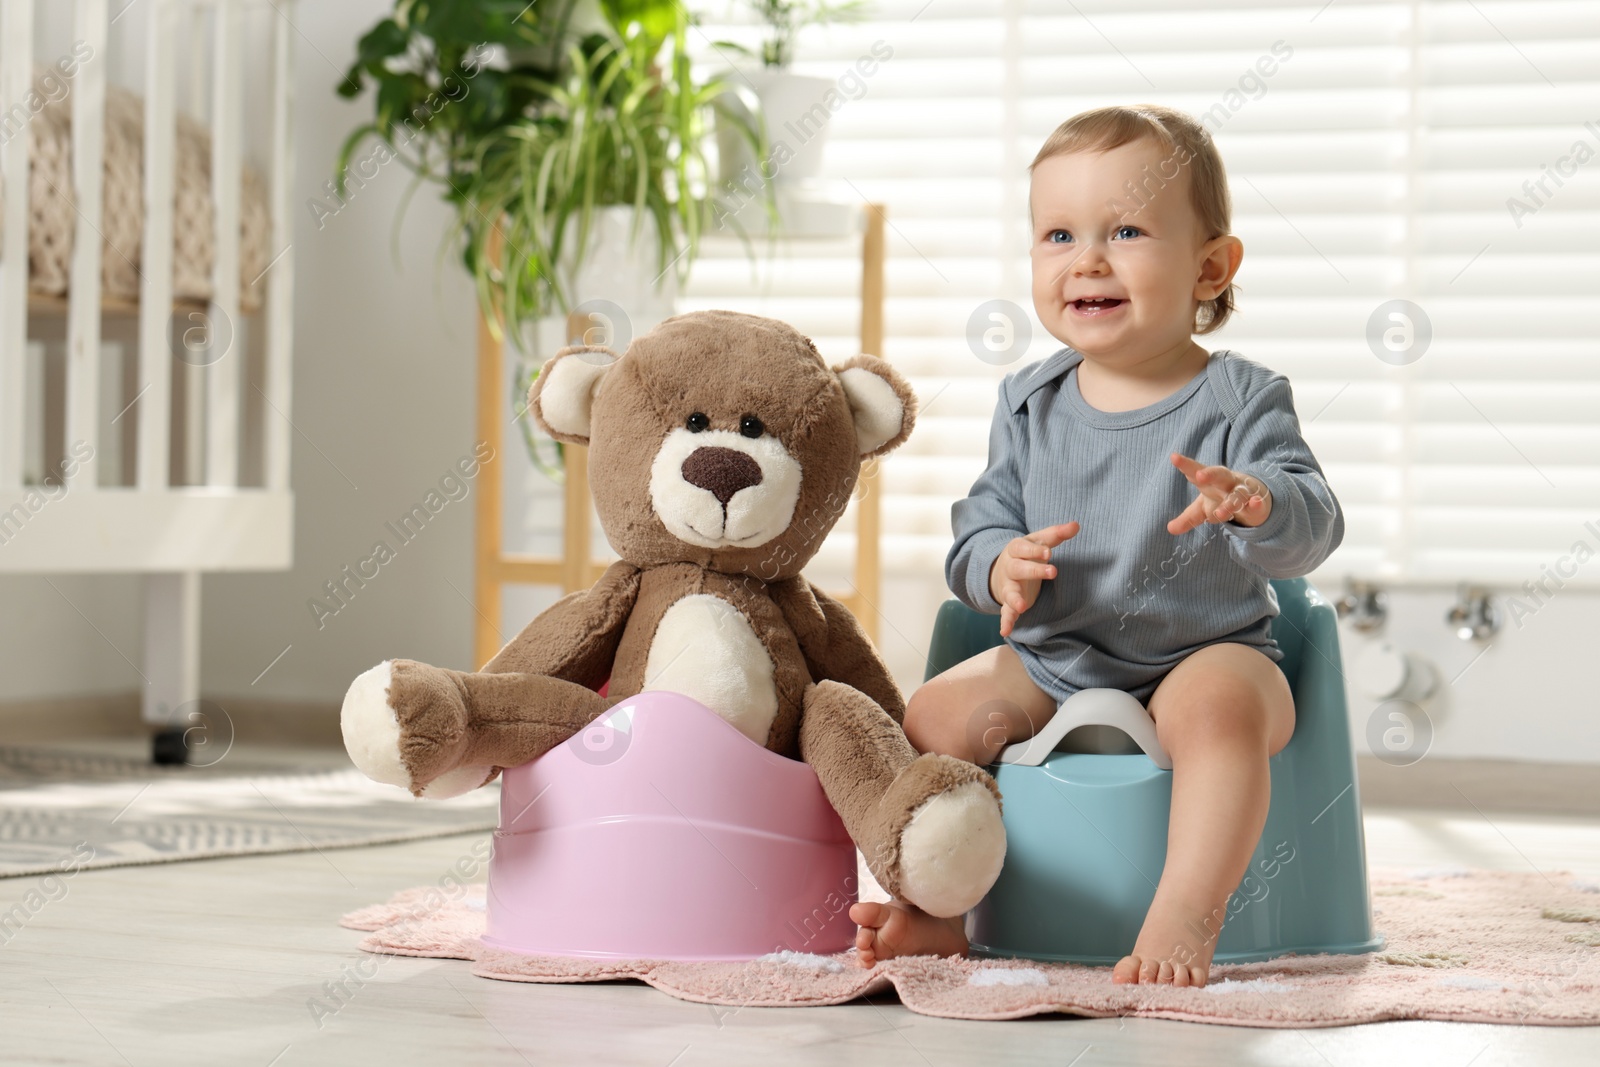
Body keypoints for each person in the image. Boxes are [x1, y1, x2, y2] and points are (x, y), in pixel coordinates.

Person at [850, 104, 1344, 987]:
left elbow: (1314, 520)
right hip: (1055, 659)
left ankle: (1186, 909)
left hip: (1209, 649)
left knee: (1217, 715)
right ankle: (937, 910)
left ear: (1209, 266)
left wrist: (1256, 502)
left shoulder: (1241, 398)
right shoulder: (1029, 402)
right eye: (1058, 234)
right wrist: (1000, 562)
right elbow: (980, 524)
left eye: (1126, 229)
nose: (1088, 258)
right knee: (928, 718)